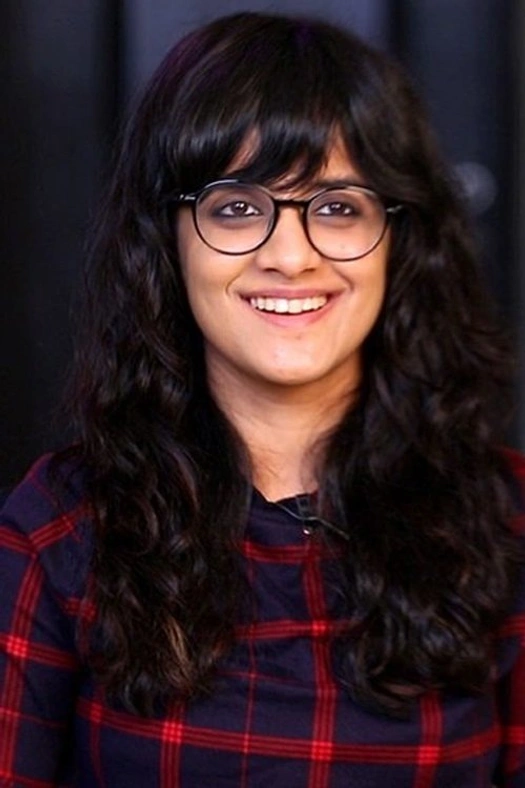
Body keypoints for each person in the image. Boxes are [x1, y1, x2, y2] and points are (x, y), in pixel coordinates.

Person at [0, 10, 524, 787]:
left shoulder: (506, 523)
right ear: (168, 238)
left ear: (399, 240)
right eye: (237, 206)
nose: (289, 255)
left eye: (337, 207)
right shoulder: (62, 527)